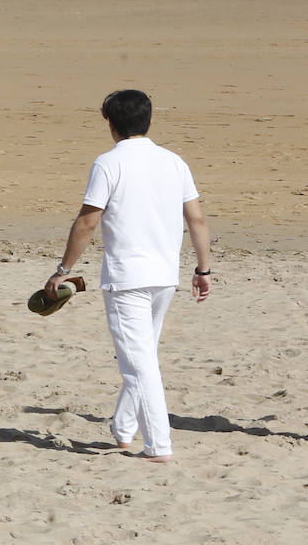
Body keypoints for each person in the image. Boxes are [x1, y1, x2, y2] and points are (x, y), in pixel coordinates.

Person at [43, 89, 213, 462]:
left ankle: (159, 445)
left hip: (127, 279)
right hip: (164, 276)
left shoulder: (108, 163)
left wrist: (63, 271)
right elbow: (197, 219)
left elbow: (89, 220)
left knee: (139, 363)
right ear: (149, 120)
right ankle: (123, 429)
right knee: (143, 355)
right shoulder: (174, 162)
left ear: (111, 123)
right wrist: (203, 268)